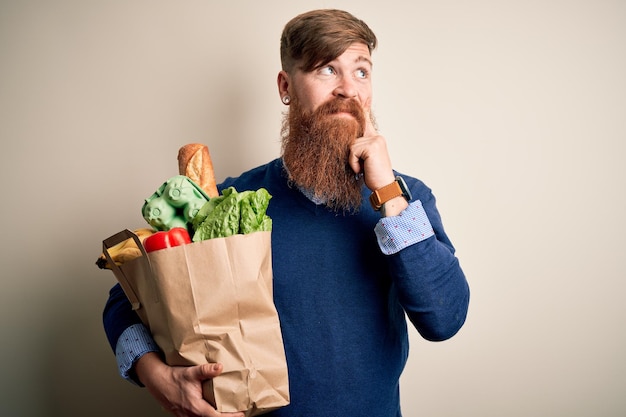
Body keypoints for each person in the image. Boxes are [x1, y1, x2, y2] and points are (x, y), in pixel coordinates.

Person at [103, 9, 470, 417]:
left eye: (361, 71)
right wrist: (157, 377)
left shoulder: (404, 200)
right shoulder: (230, 204)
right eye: (327, 69)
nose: (349, 89)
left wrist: (387, 194)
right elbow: (125, 299)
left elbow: (445, 318)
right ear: (286, 86)